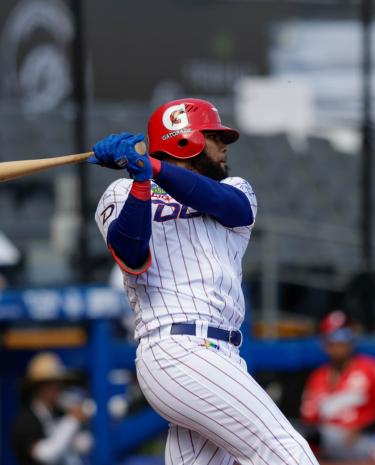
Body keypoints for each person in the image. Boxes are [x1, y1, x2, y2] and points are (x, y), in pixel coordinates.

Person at [90, 98, 318, 465]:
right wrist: (141, 182)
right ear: (184, 140)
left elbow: (228, 205)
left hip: (223, 356)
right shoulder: (120, 193)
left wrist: (152, 167)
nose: (224, 145)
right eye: (214, 136)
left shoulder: (237, 188)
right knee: (285, 450)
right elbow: (131, 253)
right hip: (175, 348)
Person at [301, 310, 375, 463]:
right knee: (296, 432)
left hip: (364, 440)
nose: (340, 344)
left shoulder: (371, 368)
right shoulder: (317, 376)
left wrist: (361, 428)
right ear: (325, 343)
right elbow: (309, 421)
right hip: (327, 441)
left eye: (345, 337)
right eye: (334, 339)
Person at [11, 352, 92, 465]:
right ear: (37, 387)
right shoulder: (25, 420)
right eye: (50, 384)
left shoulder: (58, 413)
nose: (57, 388)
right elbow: (45, 455)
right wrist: (73, 420)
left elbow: (82, 445)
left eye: (59, 383)